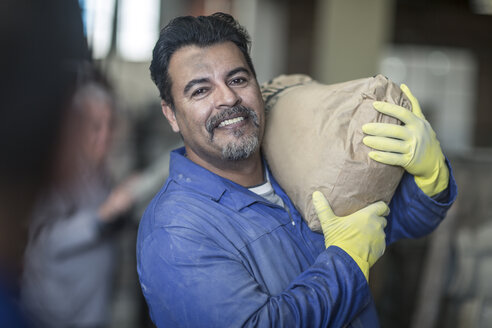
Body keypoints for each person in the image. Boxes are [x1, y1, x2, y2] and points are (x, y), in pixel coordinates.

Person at [136, 12, 457, 327]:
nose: (229, 97)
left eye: (237, 79)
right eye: (200, 90)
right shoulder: (175, 231)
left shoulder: (293, 166)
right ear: (172, 114)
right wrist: (346, 261)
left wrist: (431, 176)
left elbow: (394, 225)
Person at [20, 64, 138, 328]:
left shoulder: (103, 176)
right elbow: (41, 241)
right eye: (95, 127)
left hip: (94, 315)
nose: (105, 137)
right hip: (52, 317)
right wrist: (103, 214)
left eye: (110, 125)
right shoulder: (56, 176)